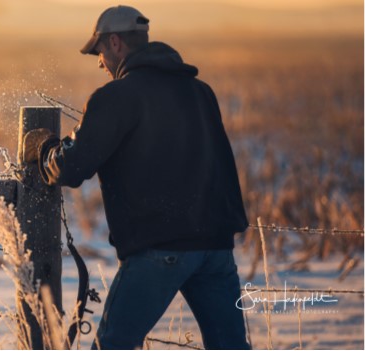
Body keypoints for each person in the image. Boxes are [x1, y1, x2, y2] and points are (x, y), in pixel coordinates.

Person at [21, 5, 251, 350]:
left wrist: (46, 148)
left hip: (160, 249)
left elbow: (70, 169)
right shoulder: (201, 92)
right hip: (215, 249)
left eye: (98, 51)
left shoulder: (117, 97)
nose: (100, 62)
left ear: (114, 43)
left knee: (112, 346)